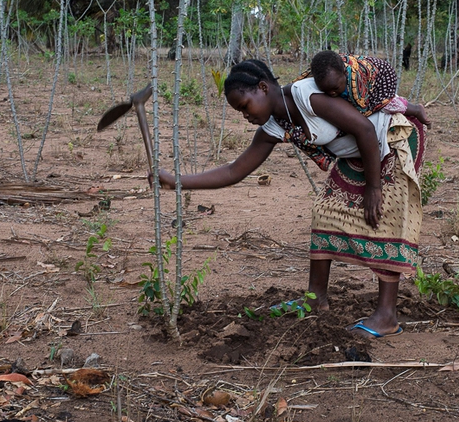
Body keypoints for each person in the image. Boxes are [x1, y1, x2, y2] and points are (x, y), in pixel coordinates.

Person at [153, 59, 424, 338]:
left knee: (383, 218)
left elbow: (366, 130)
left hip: (391, 140)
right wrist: (176, 181)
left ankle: (387, 316)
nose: (245, 115)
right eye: (239, 111)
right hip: (357, 153)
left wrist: (374, 188)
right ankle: (315, 299)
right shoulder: (273, 125)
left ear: (262, 88)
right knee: (325, 211)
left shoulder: (307, 96)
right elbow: (235, 171)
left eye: (245, 106)